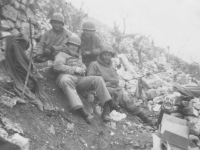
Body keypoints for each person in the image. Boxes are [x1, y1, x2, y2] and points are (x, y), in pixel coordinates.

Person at [87, 44, 155, 125]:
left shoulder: (111, 66)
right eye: (105, 54)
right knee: (109, 92)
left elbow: (116, 79)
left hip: (114, 88)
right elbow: (90, 80)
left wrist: (112, 83)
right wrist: (107, 83)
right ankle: (106, 112)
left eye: (109, 55)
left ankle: (145, 118)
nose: (107, 57)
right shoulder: (94, 65)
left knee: (127, 99)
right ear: (101, 55)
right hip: (100, 89)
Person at [53, 34, 113, 124]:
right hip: (67, 78)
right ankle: (82, 111)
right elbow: (57, 66)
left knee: (98, 79)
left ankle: (106, 110)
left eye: (76, 46)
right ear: (68, 45)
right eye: (72, 45)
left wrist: (82, 67)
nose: (74, 47)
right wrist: (74, 69)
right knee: (65, 79)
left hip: (79, 80)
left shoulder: (78, 56)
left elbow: (82, 66)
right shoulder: (61, 54)